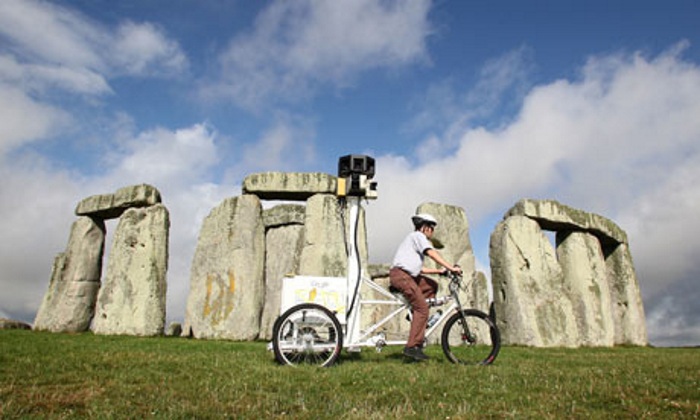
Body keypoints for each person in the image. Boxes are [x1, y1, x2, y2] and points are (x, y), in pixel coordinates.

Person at [390, 213, 462, 361]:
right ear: (425, 227)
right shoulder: (418, 237)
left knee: (431, 286)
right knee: (422, 308)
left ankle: (419, 317)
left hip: (409, 275)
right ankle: (412, 347)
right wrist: (450, 267)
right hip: (402, 276)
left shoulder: (413, 240)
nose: (432, 231)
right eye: (432, 228)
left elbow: (419, 269)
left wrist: (439, 271)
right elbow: (431, 253)